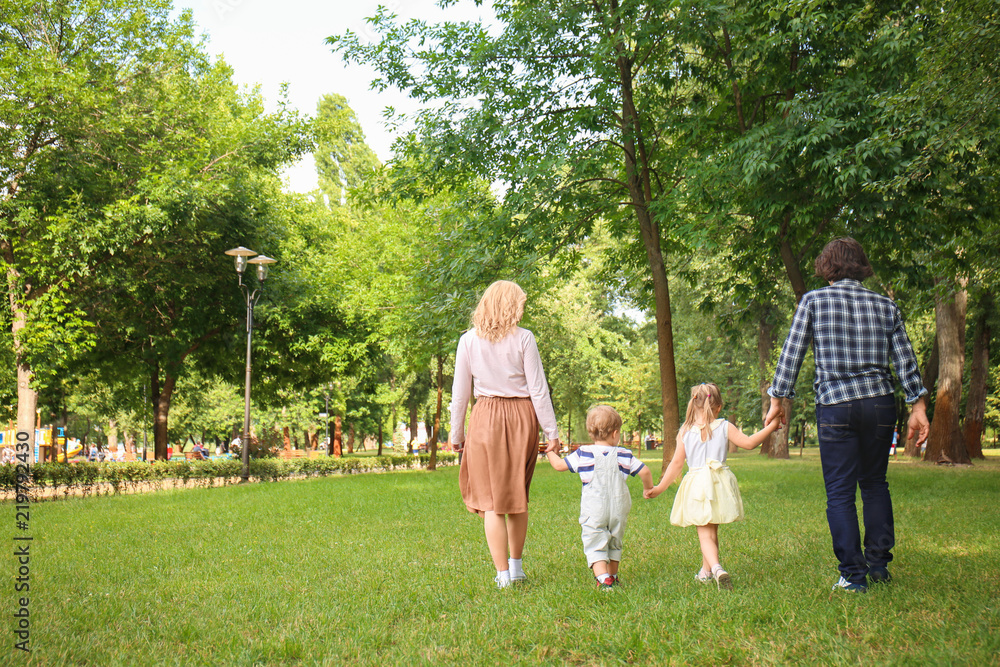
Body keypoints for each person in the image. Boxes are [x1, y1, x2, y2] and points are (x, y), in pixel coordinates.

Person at [765, 237, 930, 593]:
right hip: (880, 404)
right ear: (862, 265)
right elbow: (905, 360)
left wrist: (777, 401)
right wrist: (918, 406)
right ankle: (879, 567)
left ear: (827, 267)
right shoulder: (886, 306)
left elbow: (791, 355)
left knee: (840, 492)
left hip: (836, 404)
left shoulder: (813, 301)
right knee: (874, 484)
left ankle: (853, 576)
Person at [449, 280, 560, 589]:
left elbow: (460, 394)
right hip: (522, 417)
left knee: (491, 501)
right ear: (512, 306)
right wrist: (551, 431)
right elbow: (538, 390)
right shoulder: (525, 339)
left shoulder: (468, 341)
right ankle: (517, 567)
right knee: (515, 493)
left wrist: (456, 432)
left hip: (485, 417)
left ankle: (502, 575)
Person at [646, 383, 780, 589]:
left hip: (699, 486)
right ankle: (705, 571)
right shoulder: (725, 426)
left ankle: (716, 568)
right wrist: (771, 426)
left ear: (693, 404)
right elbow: (750, 443)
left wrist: (659, 488)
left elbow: (676, 464)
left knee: (705, 533)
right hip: (719, 483)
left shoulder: (685, 431)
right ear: (718, 407)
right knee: (712, 531)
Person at [546, 405, 653, 589]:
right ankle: (613, 575)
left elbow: (559, 466)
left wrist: (549, 452)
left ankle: (604, 580)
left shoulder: (584, 453)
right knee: (614, 541)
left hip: (594, 509)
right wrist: (648, 488)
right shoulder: (623, 454)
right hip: (619, 508)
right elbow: (645, 471)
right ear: (615, 433)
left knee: (595, 541)